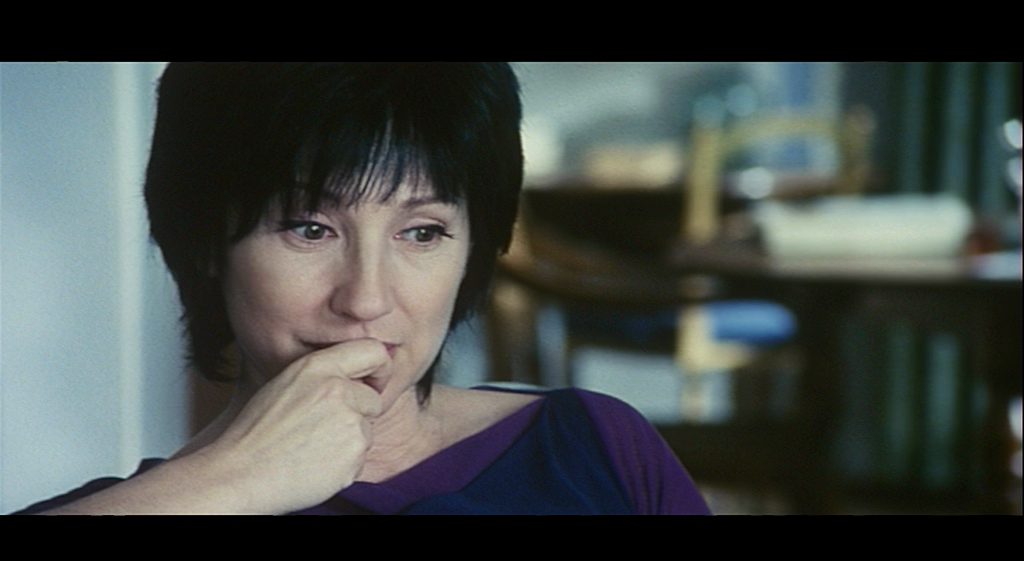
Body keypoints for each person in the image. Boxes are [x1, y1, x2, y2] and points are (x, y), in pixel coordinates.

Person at [15, 63, 710, 515]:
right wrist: (234, 477)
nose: (367, 299)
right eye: (309, 228)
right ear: (205, 243)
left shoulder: (594, 445)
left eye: (423, 233)